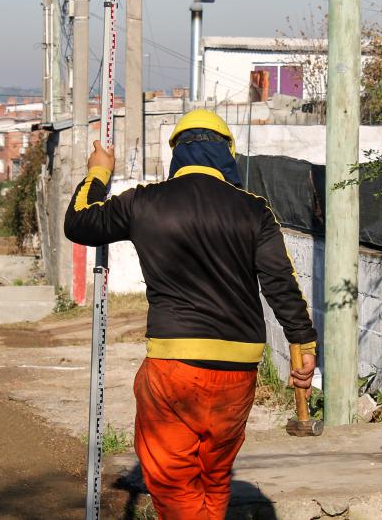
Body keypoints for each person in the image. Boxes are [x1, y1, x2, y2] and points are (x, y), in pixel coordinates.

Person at [64, 109, 317, 520]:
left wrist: (98, 173)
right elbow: (281, 284)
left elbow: (78, 222)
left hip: (174, 366)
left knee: (173, 480)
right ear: (228, 154)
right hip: (238, 371)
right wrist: (303, 345)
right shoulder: (255, 210)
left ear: (176, 154)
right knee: (215, 476)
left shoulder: (143, 202)